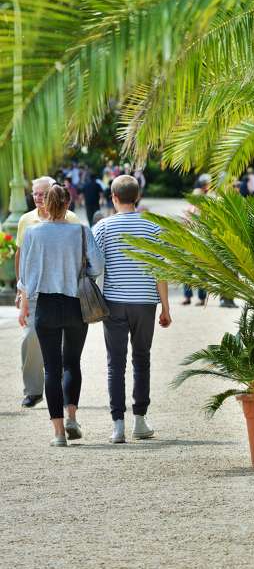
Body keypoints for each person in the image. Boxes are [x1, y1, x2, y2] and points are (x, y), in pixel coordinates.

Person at [18, 184, 104, 446]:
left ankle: (58, 433)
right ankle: (72, 417)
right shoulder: (81, 231)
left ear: (45, 204)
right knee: (72, 363)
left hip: (45, 303)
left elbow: (26, 275)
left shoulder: (33, 233)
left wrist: (24, 301)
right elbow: (97, 265)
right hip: (76, 303)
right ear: (68, 204)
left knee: (51, 369)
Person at [93, 174, 172, 443]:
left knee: (115, 364)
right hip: (144, 303)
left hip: (114, 302)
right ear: (137, 197)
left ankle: (118, 425)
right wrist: (166, 307)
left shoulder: (103, 227)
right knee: (142, 359)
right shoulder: (152, 227)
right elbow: (160, 270)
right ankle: (140, 419)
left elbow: (94, 265)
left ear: (113, 198)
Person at [15, 176, 82, 408]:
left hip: (65, 292)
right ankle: (33, 390)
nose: (38, 198)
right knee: (29, 338)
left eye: (42, 193)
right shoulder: (26, 221)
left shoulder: (72, 219)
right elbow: (21, 258)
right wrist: (20, 291)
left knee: (63, 350)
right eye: (35, 194)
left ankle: (63, 394)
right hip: (33, 293)